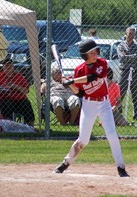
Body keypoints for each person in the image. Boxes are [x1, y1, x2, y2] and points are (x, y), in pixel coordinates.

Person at [54, 39, 129, 177]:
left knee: (112, 135)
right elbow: (80, 93)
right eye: (92, 53)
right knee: (83, 140)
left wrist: (72, 80)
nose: (96, 55)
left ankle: (121, 167)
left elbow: (93, 77)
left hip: (104, 103)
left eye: (96, 52)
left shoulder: (102, 63)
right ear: (84, 55)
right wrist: (69, 84)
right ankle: (66, 162)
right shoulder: (78, 71)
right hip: (89, 105)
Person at [0, 58, 35, 127]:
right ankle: (9, 127)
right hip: (5, 98)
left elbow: (26, 90)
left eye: (10, 65)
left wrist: (15, 86)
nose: (8, 67)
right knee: (6, 103)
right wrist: (0, 88)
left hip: (19, 100)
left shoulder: (18, 76)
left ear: (13, 67)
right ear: (3, 67)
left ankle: (30, 127)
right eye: (6, 65)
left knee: (26, 104)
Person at [117, 27, 137, 120]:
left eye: (133, 34)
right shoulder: (121, 45)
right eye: (129, 33)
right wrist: (133, 56)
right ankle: (118, 114)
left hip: (135, 72)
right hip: (124, 72)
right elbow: (121, 58)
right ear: (126, 34)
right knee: (120, 94)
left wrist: (127, 56)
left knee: (136, 95)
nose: (131, 35)